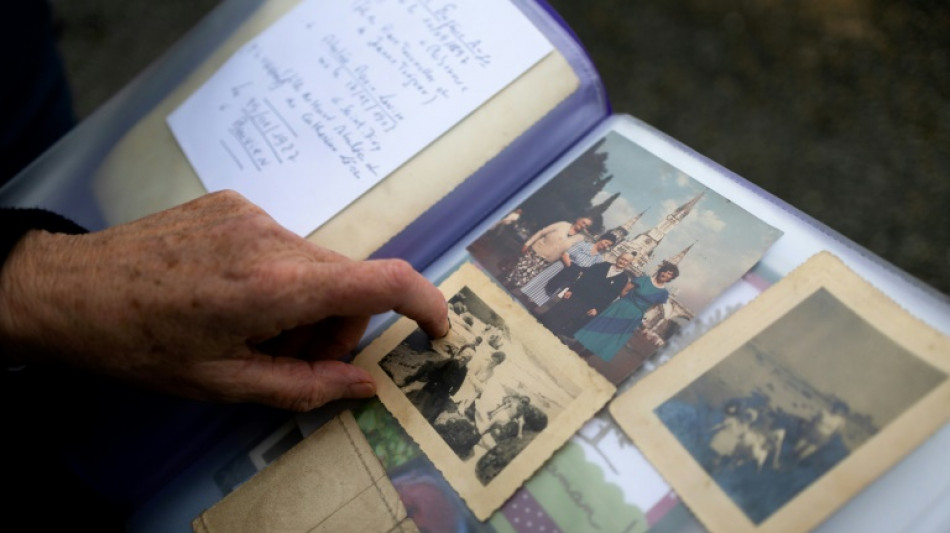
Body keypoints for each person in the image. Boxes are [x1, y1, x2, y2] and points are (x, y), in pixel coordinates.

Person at [573, 261, 679, 361]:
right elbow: (624, 290)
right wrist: (627, 303)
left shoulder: (663, 293)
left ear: (671, 278)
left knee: (611, 335)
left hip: (634, 316)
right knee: (599, 326)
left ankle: (585, 355)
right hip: (621, 307)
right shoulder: (644, 279)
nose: (665, 274)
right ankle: (576, 346)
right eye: (665, 271)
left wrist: (639, 312)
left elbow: (652, 306)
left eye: (669, 274)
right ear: (661, 271)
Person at [540, 251, 635, 336]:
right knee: (552, 314)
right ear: (618, 257)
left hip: (589, 304)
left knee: (560, 324)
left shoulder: (623, 279)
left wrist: (597, 309)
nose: (622, 261)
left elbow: (611, 296)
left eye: (626, 261)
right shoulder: (603, 265)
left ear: (629, 264)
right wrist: (571, 290)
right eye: (622, 258)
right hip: (576, 295)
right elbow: (584, 277)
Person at [519, 233, 617, 308]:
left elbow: (589, 271)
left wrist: (575, 273)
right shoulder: (583, 245)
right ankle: (519, 299)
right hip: (561, 268)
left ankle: (529, 307)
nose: (605, 246)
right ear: (601, 239)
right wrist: (572, 268)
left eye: (608, 245)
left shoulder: (599, 259)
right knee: (540, 285)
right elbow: (565, 254)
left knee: (548, 292)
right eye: (606, 242)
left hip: (570, 276)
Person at [504, 216, 594, 288]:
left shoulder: (580, 238)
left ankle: (503, 293)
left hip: (545, 262)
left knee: (521, 282)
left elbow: (572, 253)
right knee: (512, 273)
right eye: (583, 222)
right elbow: (541, 232)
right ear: (578, 219)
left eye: (586, 226)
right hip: (533, 253)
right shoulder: (563, 224)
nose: (583, 226)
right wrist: (527, 244)